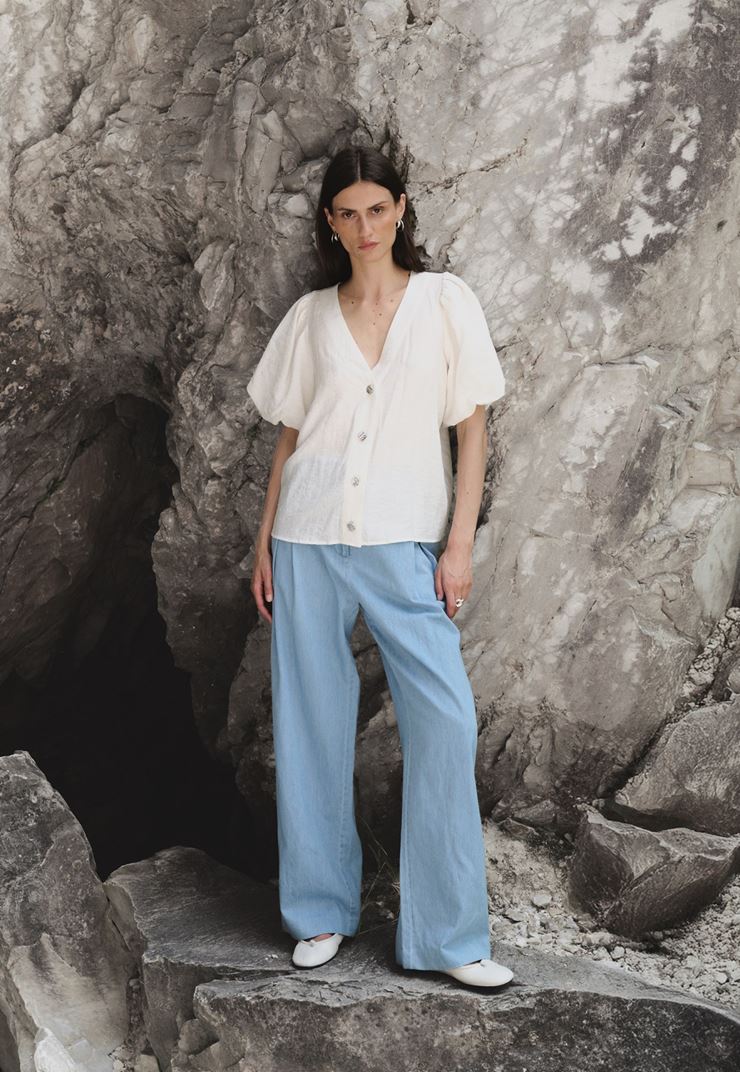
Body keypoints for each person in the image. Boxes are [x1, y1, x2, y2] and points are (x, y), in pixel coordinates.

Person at [247, 145, 513, 988]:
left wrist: (459, 544)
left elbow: (472, 430)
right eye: (347, 213)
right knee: (310, 721)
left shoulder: (444, 302)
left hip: (405, 541)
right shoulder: (309, 317)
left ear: (400, 209)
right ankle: (319, 911)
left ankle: (447, 939)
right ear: (331, 223)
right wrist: (263, 541)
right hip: (308, 536)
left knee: (445, 719)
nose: (364, 227)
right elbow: (290, 435)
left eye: (376, 209)